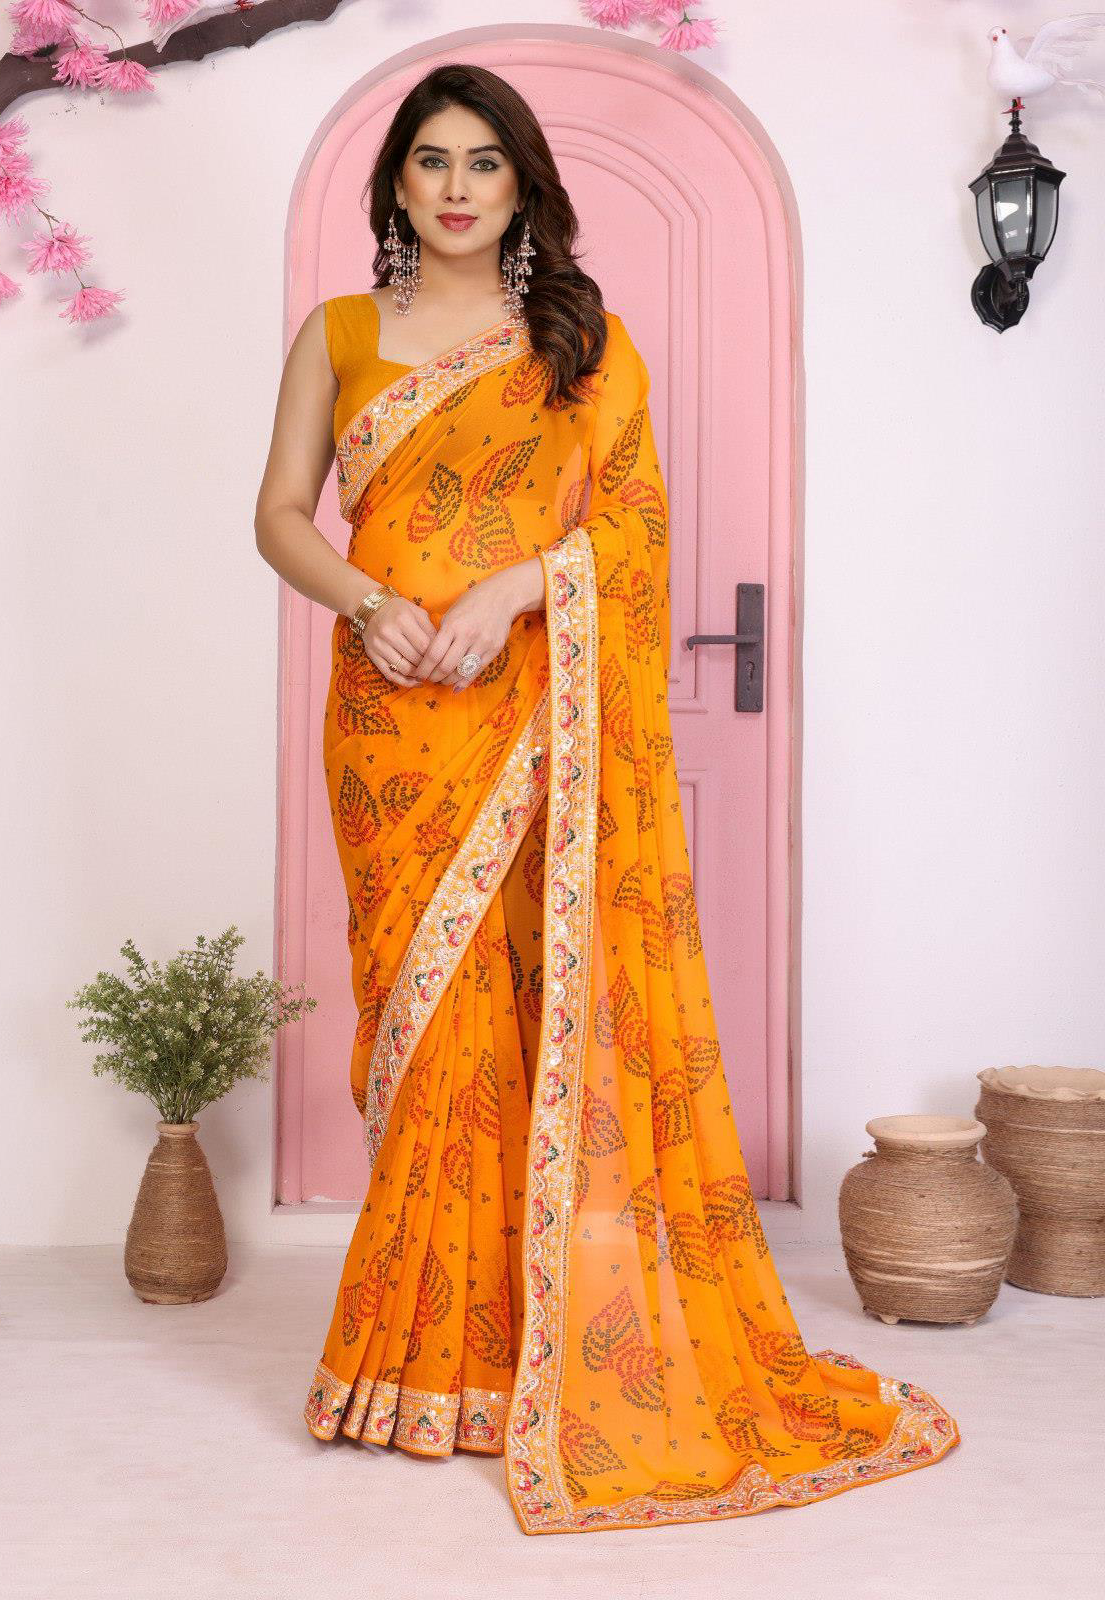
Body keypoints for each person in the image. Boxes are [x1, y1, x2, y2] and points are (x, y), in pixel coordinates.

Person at [254, 62, 960, 1537]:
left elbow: (632, 532)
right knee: (427, 1023)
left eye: (485, 162)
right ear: (394, 183)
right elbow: (277, 515)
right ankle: (417, 1356)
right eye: (431, 160)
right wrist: (370, 604)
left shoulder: (581, 342)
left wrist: (515, 587)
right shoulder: (338, 333)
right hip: (390, 725)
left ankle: (510, 1350)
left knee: (533, 1007)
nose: (456, 187)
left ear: (522, 185)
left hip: (533, 713)